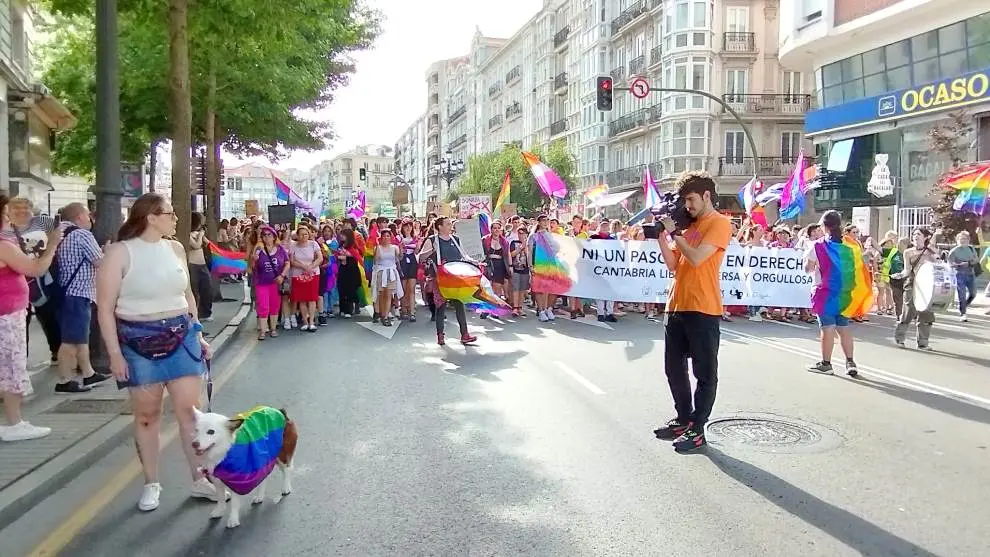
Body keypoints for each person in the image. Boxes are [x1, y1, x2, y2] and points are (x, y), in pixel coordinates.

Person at [95, 193, 220, 511]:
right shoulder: (119, 254)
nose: (176, 218)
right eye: (170, 213)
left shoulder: (176, 248)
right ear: (151, 217)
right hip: (138, 343)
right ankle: (152, 483)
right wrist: (115, 355)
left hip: (182, 339)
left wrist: (199, 335)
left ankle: (199, 478)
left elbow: (188, 296)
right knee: (147, 417)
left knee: (191, 415)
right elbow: (105, 309)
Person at [653, 171, 732, 453]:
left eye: (691, 199)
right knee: (673, 368)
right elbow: (675, 265)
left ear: (706, 196)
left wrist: (676, 233)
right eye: (685, 200)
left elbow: (697, 258)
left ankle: (698, 429)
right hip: (677, 304)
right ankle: (683, 418)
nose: (687, 205)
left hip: (703, 307)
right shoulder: (691, 226)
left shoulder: (719, 223)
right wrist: (662, 238)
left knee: (704, 372)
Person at [0, 193, 62, 441]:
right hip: (7, 314)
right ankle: (15, 423)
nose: (10, 218)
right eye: (6, 213)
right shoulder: (3, 245)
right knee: (12, 367)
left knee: (7, 367)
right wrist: (53, 244)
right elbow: (34, 269)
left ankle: (14, 421)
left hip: (8, 311)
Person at [54, 202, 110, 393]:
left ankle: (88, 373)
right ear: (78, 217)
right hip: (78, 293)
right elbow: (99, 262)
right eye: (87, 216)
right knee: (71, 340)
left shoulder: (61, 233)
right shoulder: (81, 234)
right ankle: (64, 379)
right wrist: (108, 252)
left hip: (66, 292)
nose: (90, 220)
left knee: (79, 338)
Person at [804, 211, 860, 377]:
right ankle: (850, 362)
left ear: (824, 226)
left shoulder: (818, 246)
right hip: (844, 293)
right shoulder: (848, 246)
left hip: (825, 292)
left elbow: (809, 268)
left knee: (827, 328)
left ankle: (826, 364)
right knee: (843, 327)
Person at [418, 216, 478, 346]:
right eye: (448, 224)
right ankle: (440, 335)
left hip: (455, 277)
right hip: (440, 278)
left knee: (459, 305)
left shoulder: (455, 239)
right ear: (440, 227)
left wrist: (475, 262)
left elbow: (464, 255)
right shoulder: (432, 240)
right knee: (441, 306)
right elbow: (420, 257)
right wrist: (432, 250)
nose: (451, 226)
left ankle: (464, 334)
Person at [892, 227, 939, 349]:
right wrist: (900, 275)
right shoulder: (908, 252)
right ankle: (900, 338)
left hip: (927, 286)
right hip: (912, 283)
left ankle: (923, 343)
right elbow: (907, 270)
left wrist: (936, 254)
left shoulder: (930, 251)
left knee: (926, 314)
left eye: (918, 234)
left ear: (925, 237)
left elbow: (938, 266)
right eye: (914, 234)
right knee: (908, 311)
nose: (915, 236)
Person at [252, 226, 289, 339]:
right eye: (265, 235)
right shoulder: (259, 249)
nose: (267, 237)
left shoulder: (280, 249)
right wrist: (254, 258)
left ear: (274, 237)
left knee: (274, 305)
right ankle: (263, 331)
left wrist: (282, 275)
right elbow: (253, 266)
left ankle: (273, 329)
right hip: (261, 282)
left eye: (269, 235)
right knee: (263, 306)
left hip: (275, 283)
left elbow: (287, 263)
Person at [288, 224, 322, 331]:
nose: (304, 237)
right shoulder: (293, 246)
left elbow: (320, 258)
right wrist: (303, 267)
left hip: (313, 273)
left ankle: (311, 322)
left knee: (312, 298)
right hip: (298, 274)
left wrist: (311, 266)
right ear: (297, 235)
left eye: (306, 234)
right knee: (301, 298)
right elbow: (292, 261)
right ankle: (305, 321)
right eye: (301, 234)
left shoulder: (313, 244)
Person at [947, 231, 979, 322]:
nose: (962, 241)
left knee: (973, 294)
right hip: (959, 274)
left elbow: (976, 259)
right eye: (960, 239)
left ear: (968, 240)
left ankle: (964, 305)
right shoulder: (954, 251)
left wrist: (968, 263)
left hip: (970, 274)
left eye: (964, 239)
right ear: (957, 240)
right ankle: (963, 313)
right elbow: (949, 263)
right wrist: (959, 264)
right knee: (962, 295)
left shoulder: (971, 249)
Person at [371, 228, 401, 327]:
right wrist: (377, 248)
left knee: (389, 294)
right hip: (381, 272)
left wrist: (401, 251)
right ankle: (380, 312)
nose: (386, 238)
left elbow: (399, 258)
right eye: (384, 236)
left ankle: (386, 316)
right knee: (381, 294)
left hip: (391, 272)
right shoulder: (377, 248)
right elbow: (376, 260)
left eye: (388, 236)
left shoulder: (395, 247)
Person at [187, 213, 213, 321]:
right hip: (193, 265)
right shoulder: (187, 234)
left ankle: (205, 312)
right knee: (194, 291)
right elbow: (196, 246)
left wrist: (202, 236)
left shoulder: (199, 233)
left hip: (203, 265)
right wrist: (200, 236)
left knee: (206, 289)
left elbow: (208, 243)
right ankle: (194, 313)